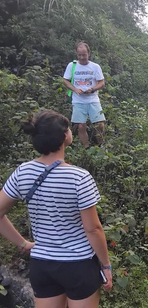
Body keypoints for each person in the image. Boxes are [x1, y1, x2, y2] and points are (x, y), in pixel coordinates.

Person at [0, 110, 113, 307]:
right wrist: (105, 265)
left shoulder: (23, 172)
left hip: (42, 265)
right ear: (64, 136)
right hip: (79, 265)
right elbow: (93, 229)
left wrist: (24, 244)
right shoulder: (79, 177)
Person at [63, 42, 106, 148]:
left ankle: (101, 145)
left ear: (88, 54)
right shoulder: (72, 66)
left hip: (93, 99)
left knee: (99, 124)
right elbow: (65, 80)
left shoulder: (95, 67)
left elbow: (102, 82)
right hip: (78, 101)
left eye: (84, 55)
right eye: (79, 55)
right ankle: (86, 148)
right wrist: (75, 89)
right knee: (81, 126)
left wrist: (92, 89)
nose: (82, 57)